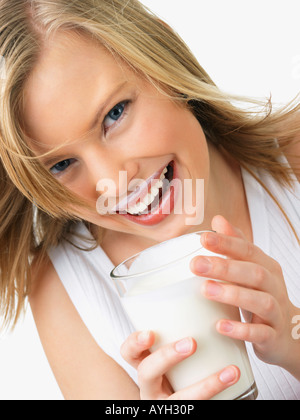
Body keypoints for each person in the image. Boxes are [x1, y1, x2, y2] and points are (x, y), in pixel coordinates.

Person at [0, 0, 299, 400]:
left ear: (162, 56)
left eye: (115, 114)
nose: (110, 183)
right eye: (62, 164)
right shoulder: (64, 287)